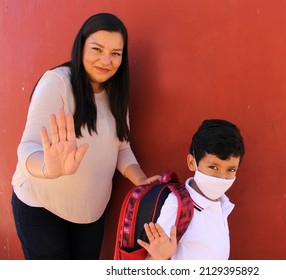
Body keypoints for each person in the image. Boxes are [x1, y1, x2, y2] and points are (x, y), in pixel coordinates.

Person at [11, 13, 161, 260]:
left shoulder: (115, 91)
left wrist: (141, 179)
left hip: (90, 212)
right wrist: (50, 168)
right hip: (42, 207)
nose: (106, 60)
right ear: (81, 46)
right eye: (97, 49)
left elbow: (121, 148)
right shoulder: (57, 83)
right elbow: (28, 148)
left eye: (116, 53)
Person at [137, 119, 245, 259]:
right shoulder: (177, 207)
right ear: (191, 163)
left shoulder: (221, 204)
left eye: (231, 170)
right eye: (213, 167)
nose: (222, 178)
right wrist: (158, 258)